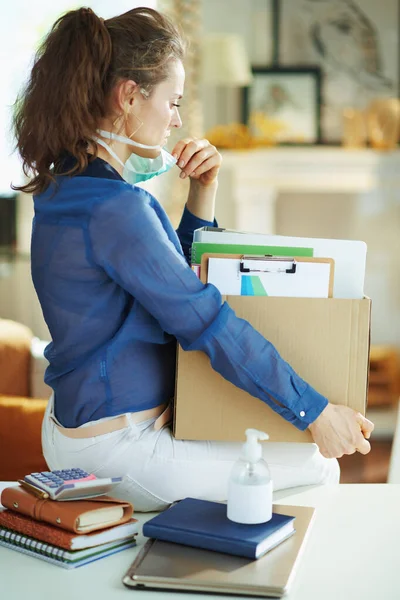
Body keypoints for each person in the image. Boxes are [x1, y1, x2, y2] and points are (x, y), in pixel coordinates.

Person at [12, 7, 373, 511]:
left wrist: (202, 197)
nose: (177, 119)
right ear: (129, 96)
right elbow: (206, 320)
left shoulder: (66, 189)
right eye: (172, 102)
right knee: (318, 463)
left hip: (76, 431)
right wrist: (315, 413)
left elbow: (162, 284)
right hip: (119, 449)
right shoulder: (120, 208)